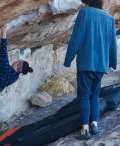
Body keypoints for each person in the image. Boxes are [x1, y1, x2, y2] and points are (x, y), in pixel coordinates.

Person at [64, 0, 117, 140]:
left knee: (83, 95)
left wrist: (68, 60)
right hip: (101, 65)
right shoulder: (110, 18)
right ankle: (94, 124)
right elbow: (112, 43)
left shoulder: (85, 13)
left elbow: (76, 38)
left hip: (86, 63)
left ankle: (84, 129)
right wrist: (112, 63)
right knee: (95, 94)